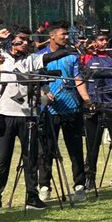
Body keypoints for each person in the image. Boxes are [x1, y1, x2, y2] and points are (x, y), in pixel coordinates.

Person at [0, 30, 47, 211]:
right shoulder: (1, 57)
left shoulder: (32, 59)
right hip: (5, 115)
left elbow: (50, 57)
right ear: (12, 43)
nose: (25, 44)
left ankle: (32, 197)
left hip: (28, 115)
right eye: (20, 41)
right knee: (2, 159)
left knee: (30, 158)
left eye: (27, 41)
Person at [35, 22, 89, 202]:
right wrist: (43, 92)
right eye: (63, 34)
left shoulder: (72, 56)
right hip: (48, 110)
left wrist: (87, 99)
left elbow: (78, 79)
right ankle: (44, 186)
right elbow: (36, 81)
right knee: (47, 150)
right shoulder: (39, 56)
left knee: (75, 148)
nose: (66, 37)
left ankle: (79, 185)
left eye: (67, 34)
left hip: (71, 107)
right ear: (52, 36)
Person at [83, 30, 112, 193]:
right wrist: (85, 49)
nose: (104, 42)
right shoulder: (87, 58)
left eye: (106, 40)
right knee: (92, 146)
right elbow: (76, 60)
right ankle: (89, 179)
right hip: (94, 107)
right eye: (100, 40)